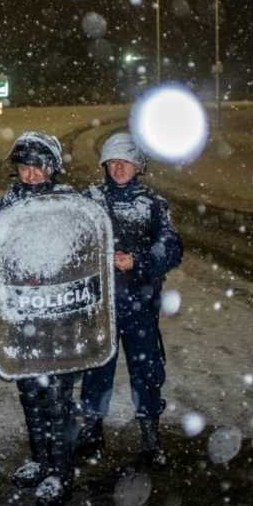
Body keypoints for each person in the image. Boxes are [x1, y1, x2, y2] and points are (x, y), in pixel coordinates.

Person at [77, 132, 182, 467]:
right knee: (96, 370)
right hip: (100, 307)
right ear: (105, 165)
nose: (119, 168)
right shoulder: (89, 200)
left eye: (126, 162)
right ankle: (92, 432)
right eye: (113, 162)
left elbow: (171, 248)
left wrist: (138, 261)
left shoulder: (153, 205)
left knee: (147, 371)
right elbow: (74, 242)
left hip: (140, 305)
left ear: (138, 166)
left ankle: (151, 438)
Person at [0, 131, 77, 506]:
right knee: (30, 393)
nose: (30, 175)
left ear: (52, 169)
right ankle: (41, 459)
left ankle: (62, 470)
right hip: (24, 314)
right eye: (24, 168)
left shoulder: (70, 203)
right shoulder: (11, 200)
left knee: (57, 396)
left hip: (59, 315)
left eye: (37, 168)